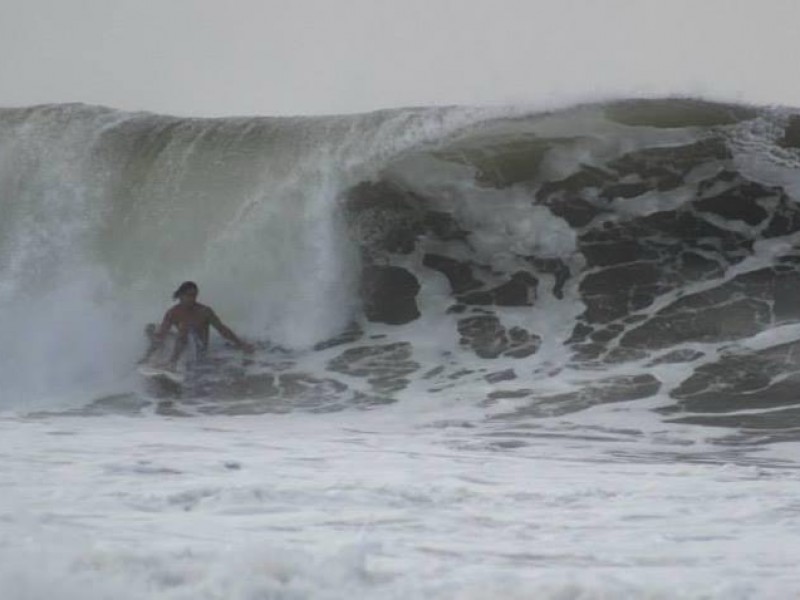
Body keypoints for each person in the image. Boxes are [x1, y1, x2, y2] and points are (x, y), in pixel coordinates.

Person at [140, 281, 254, 371]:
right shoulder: (172, 313)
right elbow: (161, 336)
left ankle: (172, 363)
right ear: (181, 295)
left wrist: (241, 344)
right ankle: (157, 359)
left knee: (183, 327)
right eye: (189, 295)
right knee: (151, 329)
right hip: (183, 346)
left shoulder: (204, 311)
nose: (192, 299)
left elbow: (222, 329)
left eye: (194, 295)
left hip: (199, 353)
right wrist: (146, 357)